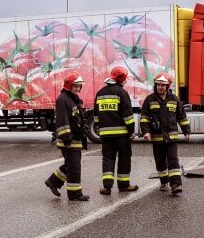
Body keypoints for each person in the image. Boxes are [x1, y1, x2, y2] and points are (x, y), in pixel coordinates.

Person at [140, 73, 190, 194]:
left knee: (173, 159)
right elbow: (144, 118)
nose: (160, 87)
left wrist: (186, 131)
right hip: (157, 138)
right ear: (155, 85)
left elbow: (181, 117)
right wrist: (146, 132)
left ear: (168, 86)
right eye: (158, 85)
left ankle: (176, 185)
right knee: (160, 161)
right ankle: (164, 181)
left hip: (171, 137)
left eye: (163, 85)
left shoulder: (174, 99)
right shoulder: (150, 99)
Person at [45, 73, 89, 201]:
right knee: (74, 167)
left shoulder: (71, 98)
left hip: (75, 138)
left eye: (79, 86)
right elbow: (62, 122)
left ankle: (53, 181)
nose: (77, 88)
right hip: (69, 140)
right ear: (69, 86)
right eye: (75, 86)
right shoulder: (62, 99)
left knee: (71, 164)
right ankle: (75, 194)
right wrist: (67, 139)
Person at [94, 66, 138, 195]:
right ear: (122, 79)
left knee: (108, 158)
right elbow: (128, 116)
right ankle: (124, 185)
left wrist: (101, 127)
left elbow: (96, 116)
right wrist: (131, 131)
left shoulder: (100, 93)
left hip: (105, 134)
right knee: (124, 157)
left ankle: (107, 187)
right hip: (121, 135)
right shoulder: (121, 93)